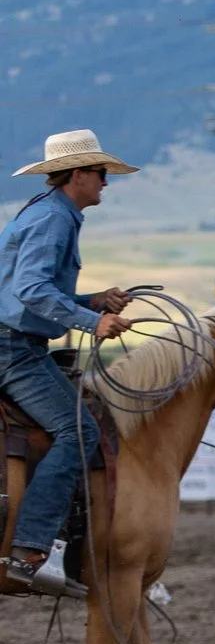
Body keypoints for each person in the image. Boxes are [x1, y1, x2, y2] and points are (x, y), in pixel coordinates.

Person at [1, 130, 140, 600]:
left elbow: (33, 294)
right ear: (78, 174)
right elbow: (31, 292)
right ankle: (32, 551)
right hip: (13, 347)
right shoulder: (53, 221)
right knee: (78, 432)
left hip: (15, 337)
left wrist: (92, 301)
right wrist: (90, 321)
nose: (106, 182)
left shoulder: (51, 214)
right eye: (101, 173)